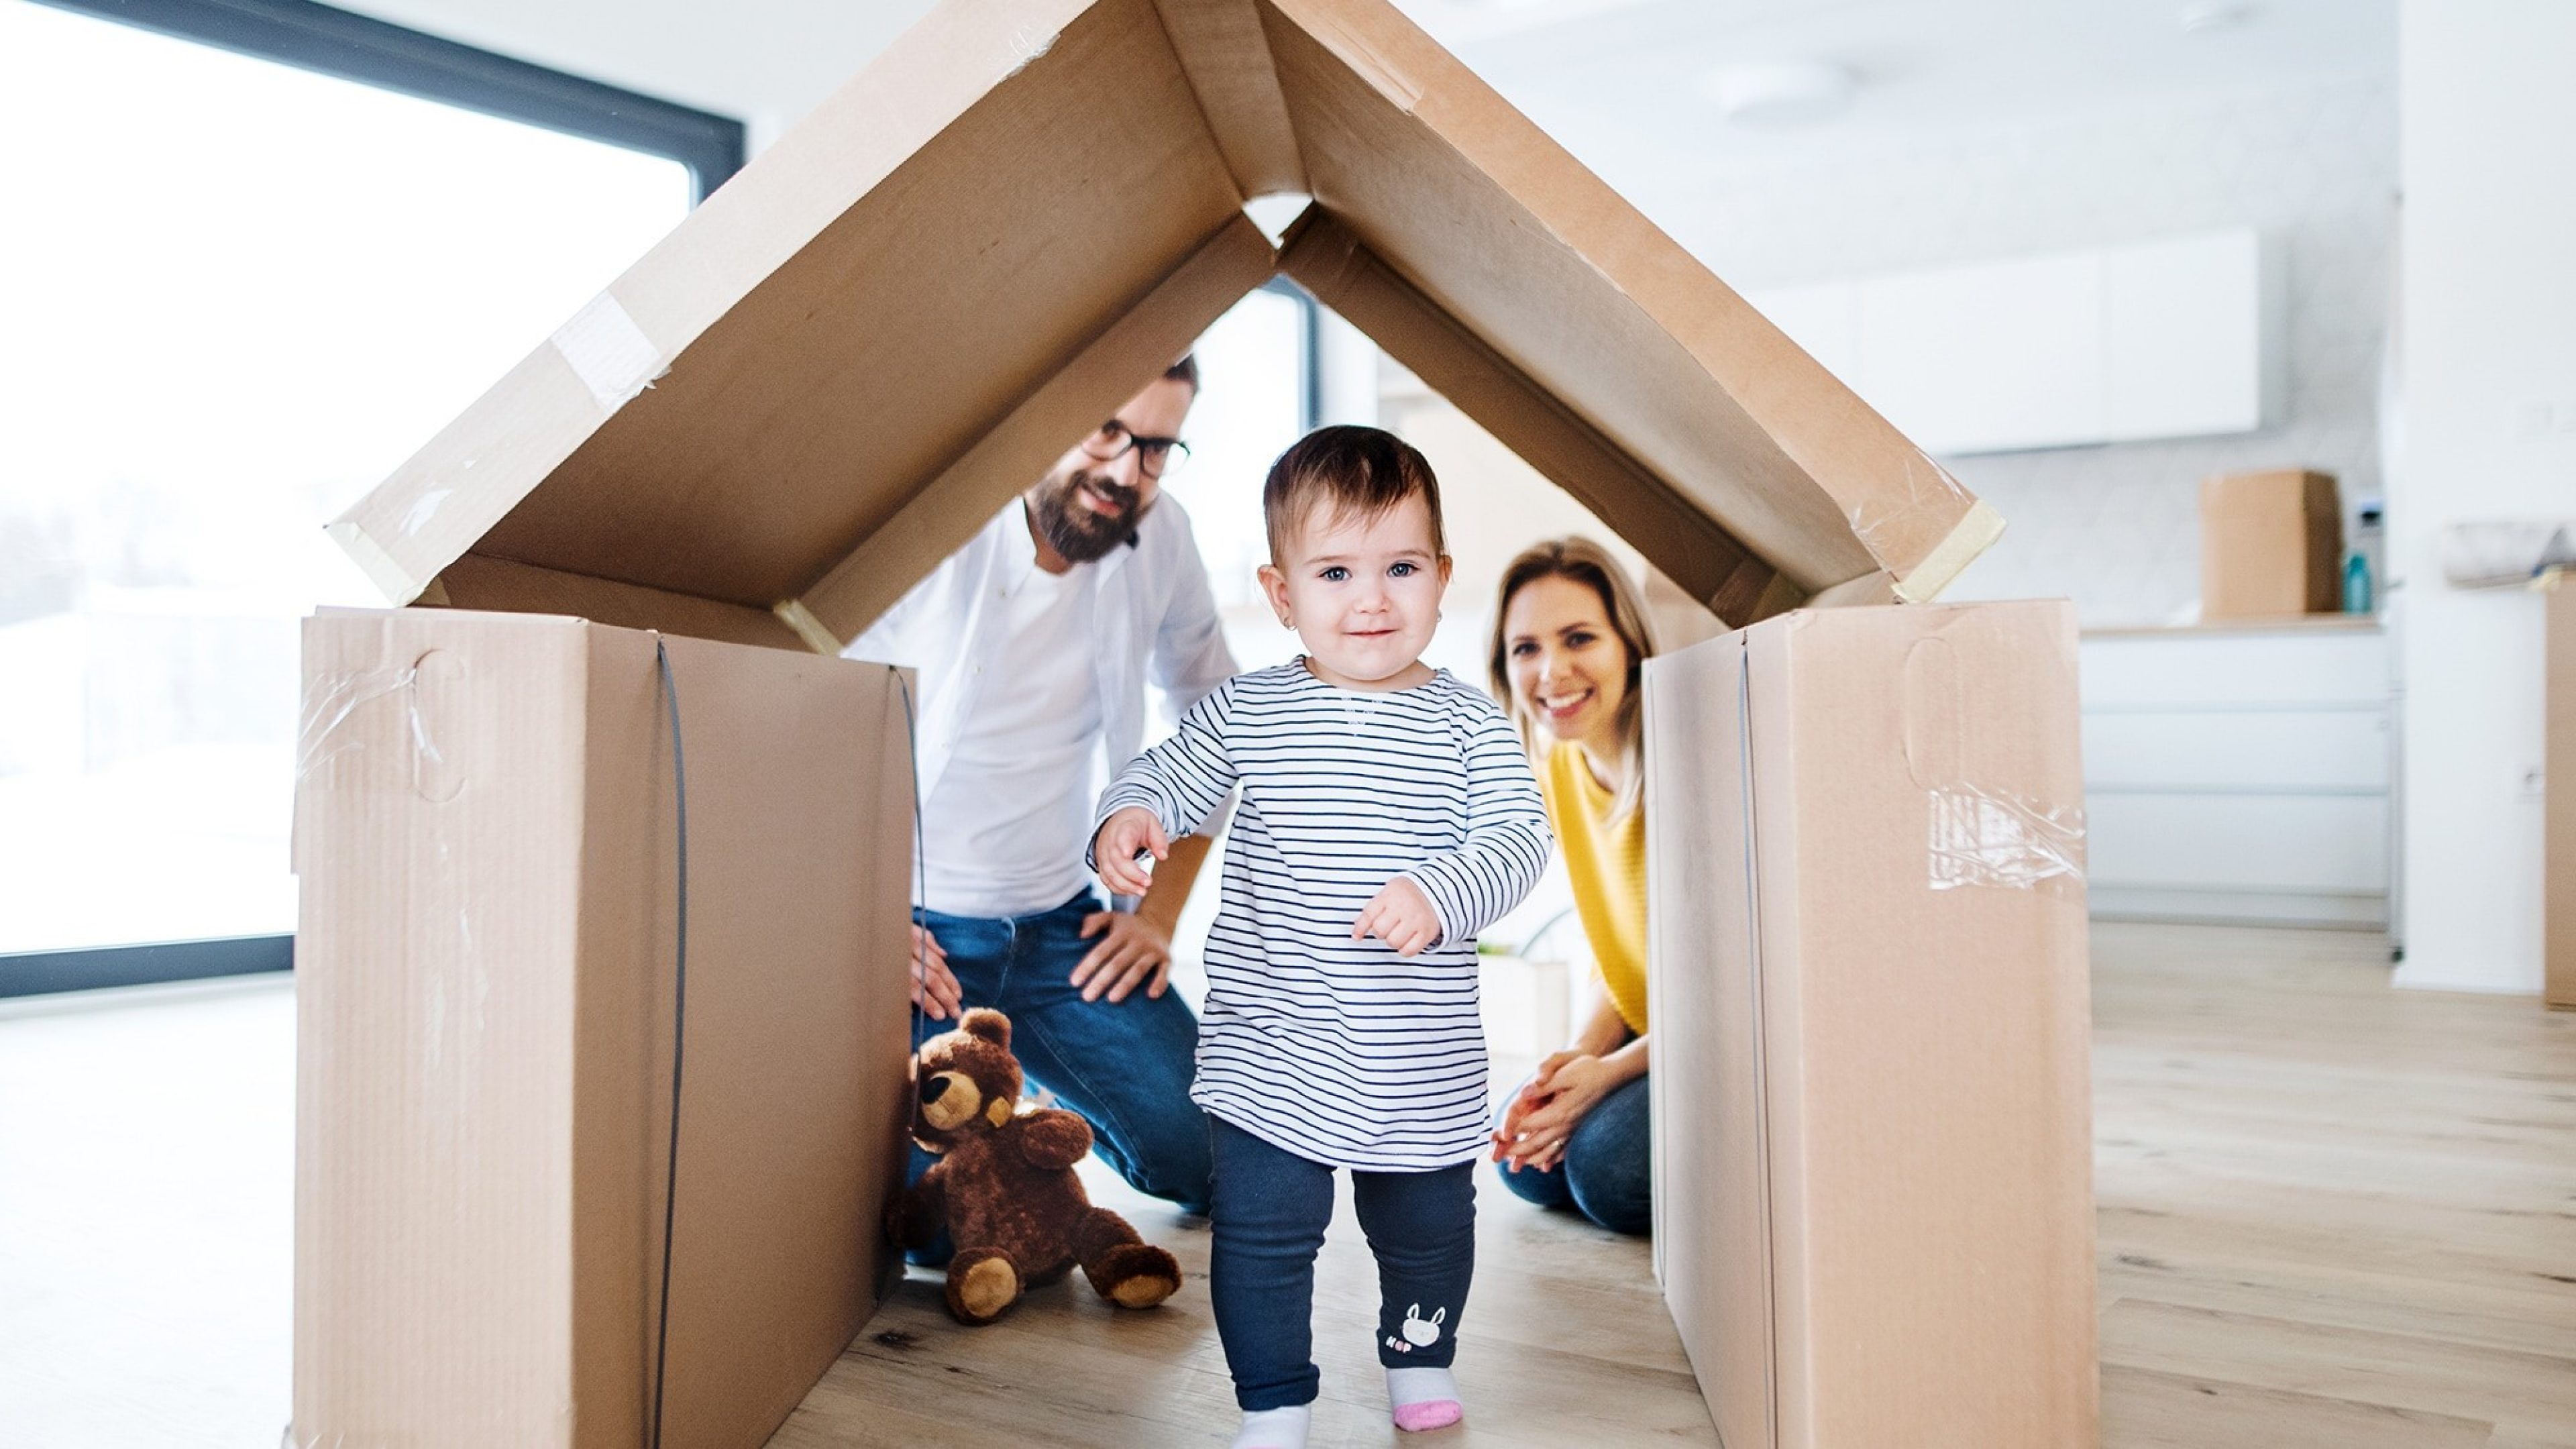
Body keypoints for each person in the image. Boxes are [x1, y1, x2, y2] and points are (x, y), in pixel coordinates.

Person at [1091, 427, 1550, 1449]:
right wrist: (1130, 817)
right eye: (1336, 572)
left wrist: (1445, 888)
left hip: (1415, 1053)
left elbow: (1522, 839)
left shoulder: (1471, 726)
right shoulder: (1249, 711)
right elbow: (1171, 775)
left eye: (1401, 568)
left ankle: (1419, 1351)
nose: (1372, 599)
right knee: (1262, 1237)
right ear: (1283, 592)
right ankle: (1274, 1401)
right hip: (1273, 1044)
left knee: (1428, 1234)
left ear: (1441, 578)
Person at [847, 356, 1231, 1224]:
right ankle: (1002, 1117)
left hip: (1063, 930)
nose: (1127, 474)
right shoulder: (933, 528)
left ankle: (1024, 1102)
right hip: (918, 945)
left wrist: (1161, 917)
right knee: (933, 1222)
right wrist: (861, 925)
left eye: (1160, 450)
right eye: (1108, 432)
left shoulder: (1163, 537)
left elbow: (1216, 720)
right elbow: (801, 725)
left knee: (1215, 1160)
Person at [1485, 537, 1660, 1236]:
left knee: (1606, 1173)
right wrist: (1580, 1057)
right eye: (1525, 648)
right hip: (1651, 1034)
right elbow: (1614, 954)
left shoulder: (1686, 753)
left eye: (1579, 637)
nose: (1551, 671)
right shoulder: (1559, 764)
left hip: (1722, 1042)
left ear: (1628, 645)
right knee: (1521, 1160)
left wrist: (1611, 1075)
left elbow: (1735, 997)